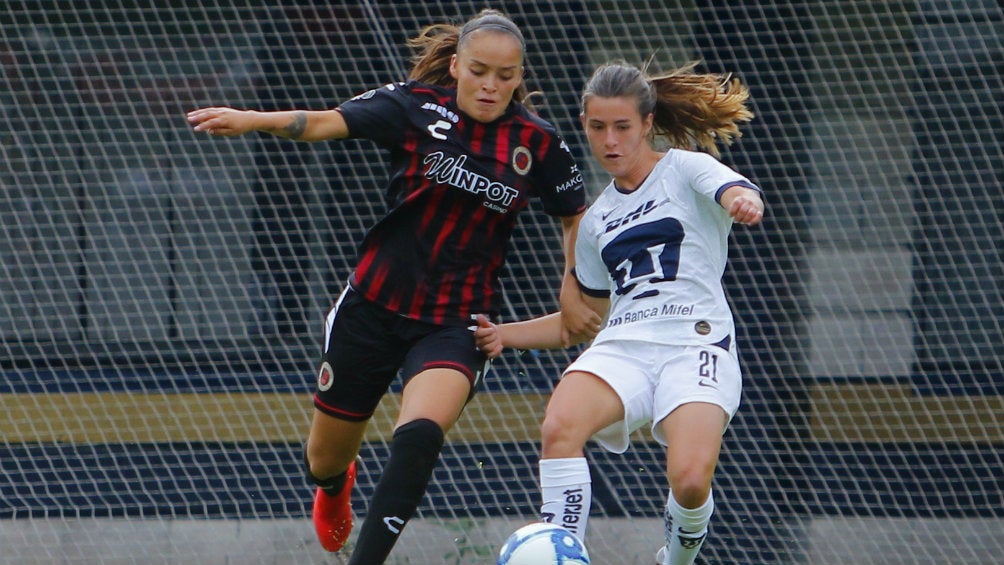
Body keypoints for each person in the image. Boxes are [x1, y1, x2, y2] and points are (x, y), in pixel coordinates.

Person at [187, 9, 601, 564]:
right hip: (373, 306)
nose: (491, 85)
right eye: (479, 70)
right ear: (456, 65)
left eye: (506, 76)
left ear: (518, 76)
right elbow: (324, 122)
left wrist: (574, 282)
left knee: (420, 436)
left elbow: (575, 214)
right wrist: (252, 119)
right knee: (322, 460)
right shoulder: (414, 107)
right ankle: (335, 486)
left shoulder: (538, 142)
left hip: (455, 321)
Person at [474, 60, 764, 565]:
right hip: (623, 346)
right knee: (560, 425)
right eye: (597, 127)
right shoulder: (595, 221)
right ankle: (566, 553)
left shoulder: (684, 168)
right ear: (584, 125)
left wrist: (743, 200)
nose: (610, 140)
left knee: (692, 480)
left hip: (695, 345)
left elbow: (734, 190)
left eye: (622, 127)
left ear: (647, 124)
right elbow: (579, 321)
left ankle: (675, 558)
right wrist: (506, 336)